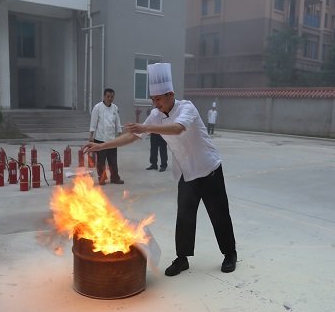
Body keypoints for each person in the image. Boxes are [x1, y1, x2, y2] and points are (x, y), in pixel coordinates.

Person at [83, 63, 237, 275]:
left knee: (219, 214)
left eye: (158, 99)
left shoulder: (187, 108)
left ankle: (230, 254)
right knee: (184, 216)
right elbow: (133, 136)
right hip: (187, 173)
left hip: (209, 169)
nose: (155, 104)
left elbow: (177, 128)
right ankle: (182, 259)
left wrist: (145, 127)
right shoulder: (156, 115)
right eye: (152, 100)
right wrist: (101, 145)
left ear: (170, 94)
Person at [89, 88, 124, 185]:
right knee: (101, 161)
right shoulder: (97, 107)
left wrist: (120, 133)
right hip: (100, 139)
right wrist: (91, 135)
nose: (110, 98)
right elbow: (93, 122)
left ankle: (115, 178)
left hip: (111, 140)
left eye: (112, 97)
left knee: (113, 161)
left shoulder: (115, 108)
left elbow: (117, 122)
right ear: (104, 96)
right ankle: (102, 178)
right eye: (108, 96)